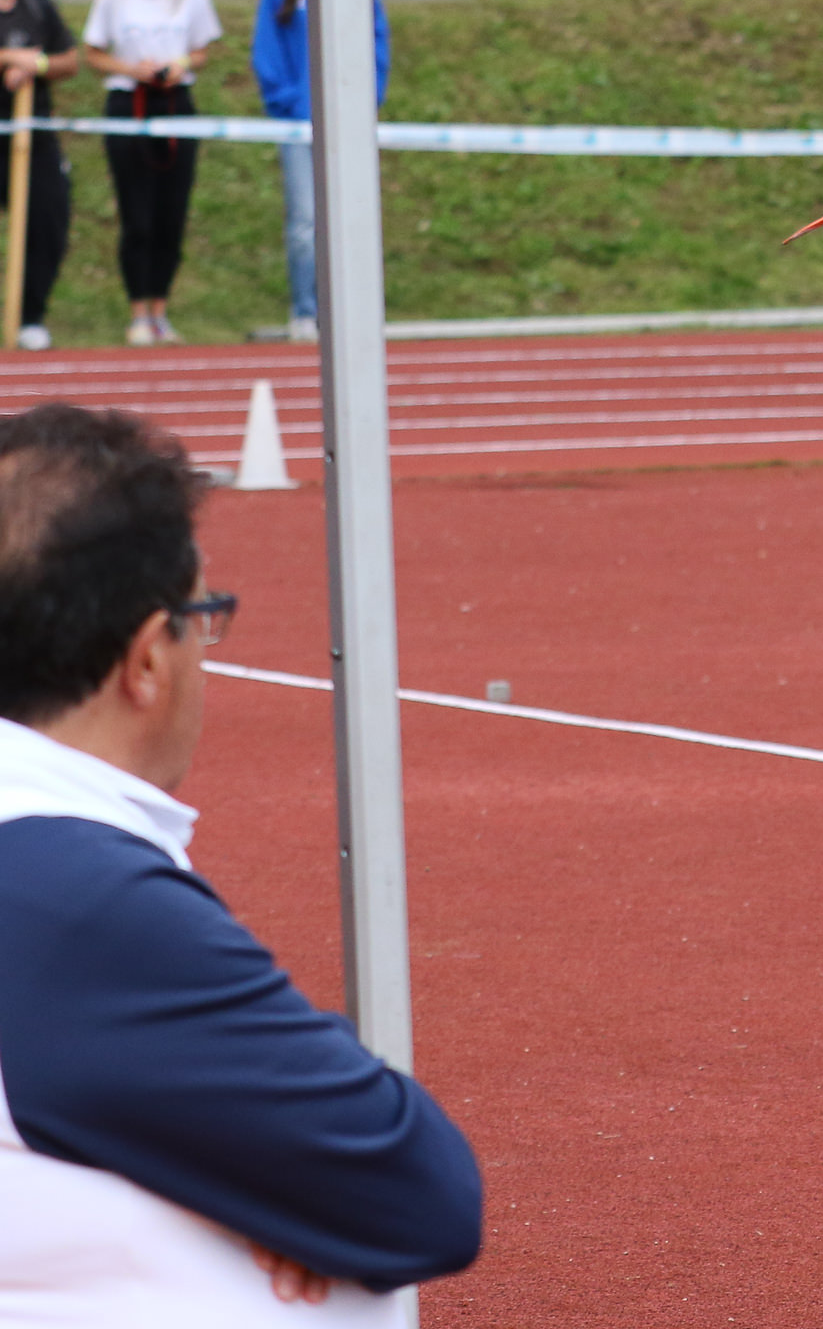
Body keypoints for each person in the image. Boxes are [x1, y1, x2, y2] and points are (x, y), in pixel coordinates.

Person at [0, 404, 483, 1320]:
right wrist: (248, 1197)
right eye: (202, 615)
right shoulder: (73, 900)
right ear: (149, 657)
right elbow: (419, 1194)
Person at [80, 0, 220, 347]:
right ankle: (137, 310)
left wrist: (180, 65)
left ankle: (161, 309)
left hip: (176, 102)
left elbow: (203, 50)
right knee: (136, 214)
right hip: (129, 101)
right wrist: (131, 69)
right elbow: (93, 53)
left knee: (171, 213)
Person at [250, 0, 390, 342]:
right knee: (305, 221)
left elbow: (377, 47)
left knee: (353, 219)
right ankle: (306, 311)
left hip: (349, 126)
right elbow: (267, 52)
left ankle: (352, 309)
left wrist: (363, 104)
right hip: (298, 125)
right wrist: (290, 104)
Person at [0, 0, 79, 350]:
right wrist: (9, 57)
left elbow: (69, 60)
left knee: (49, 219)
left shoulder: (38, 6)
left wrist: (38, 65)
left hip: (33, 135)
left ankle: (30, 317)